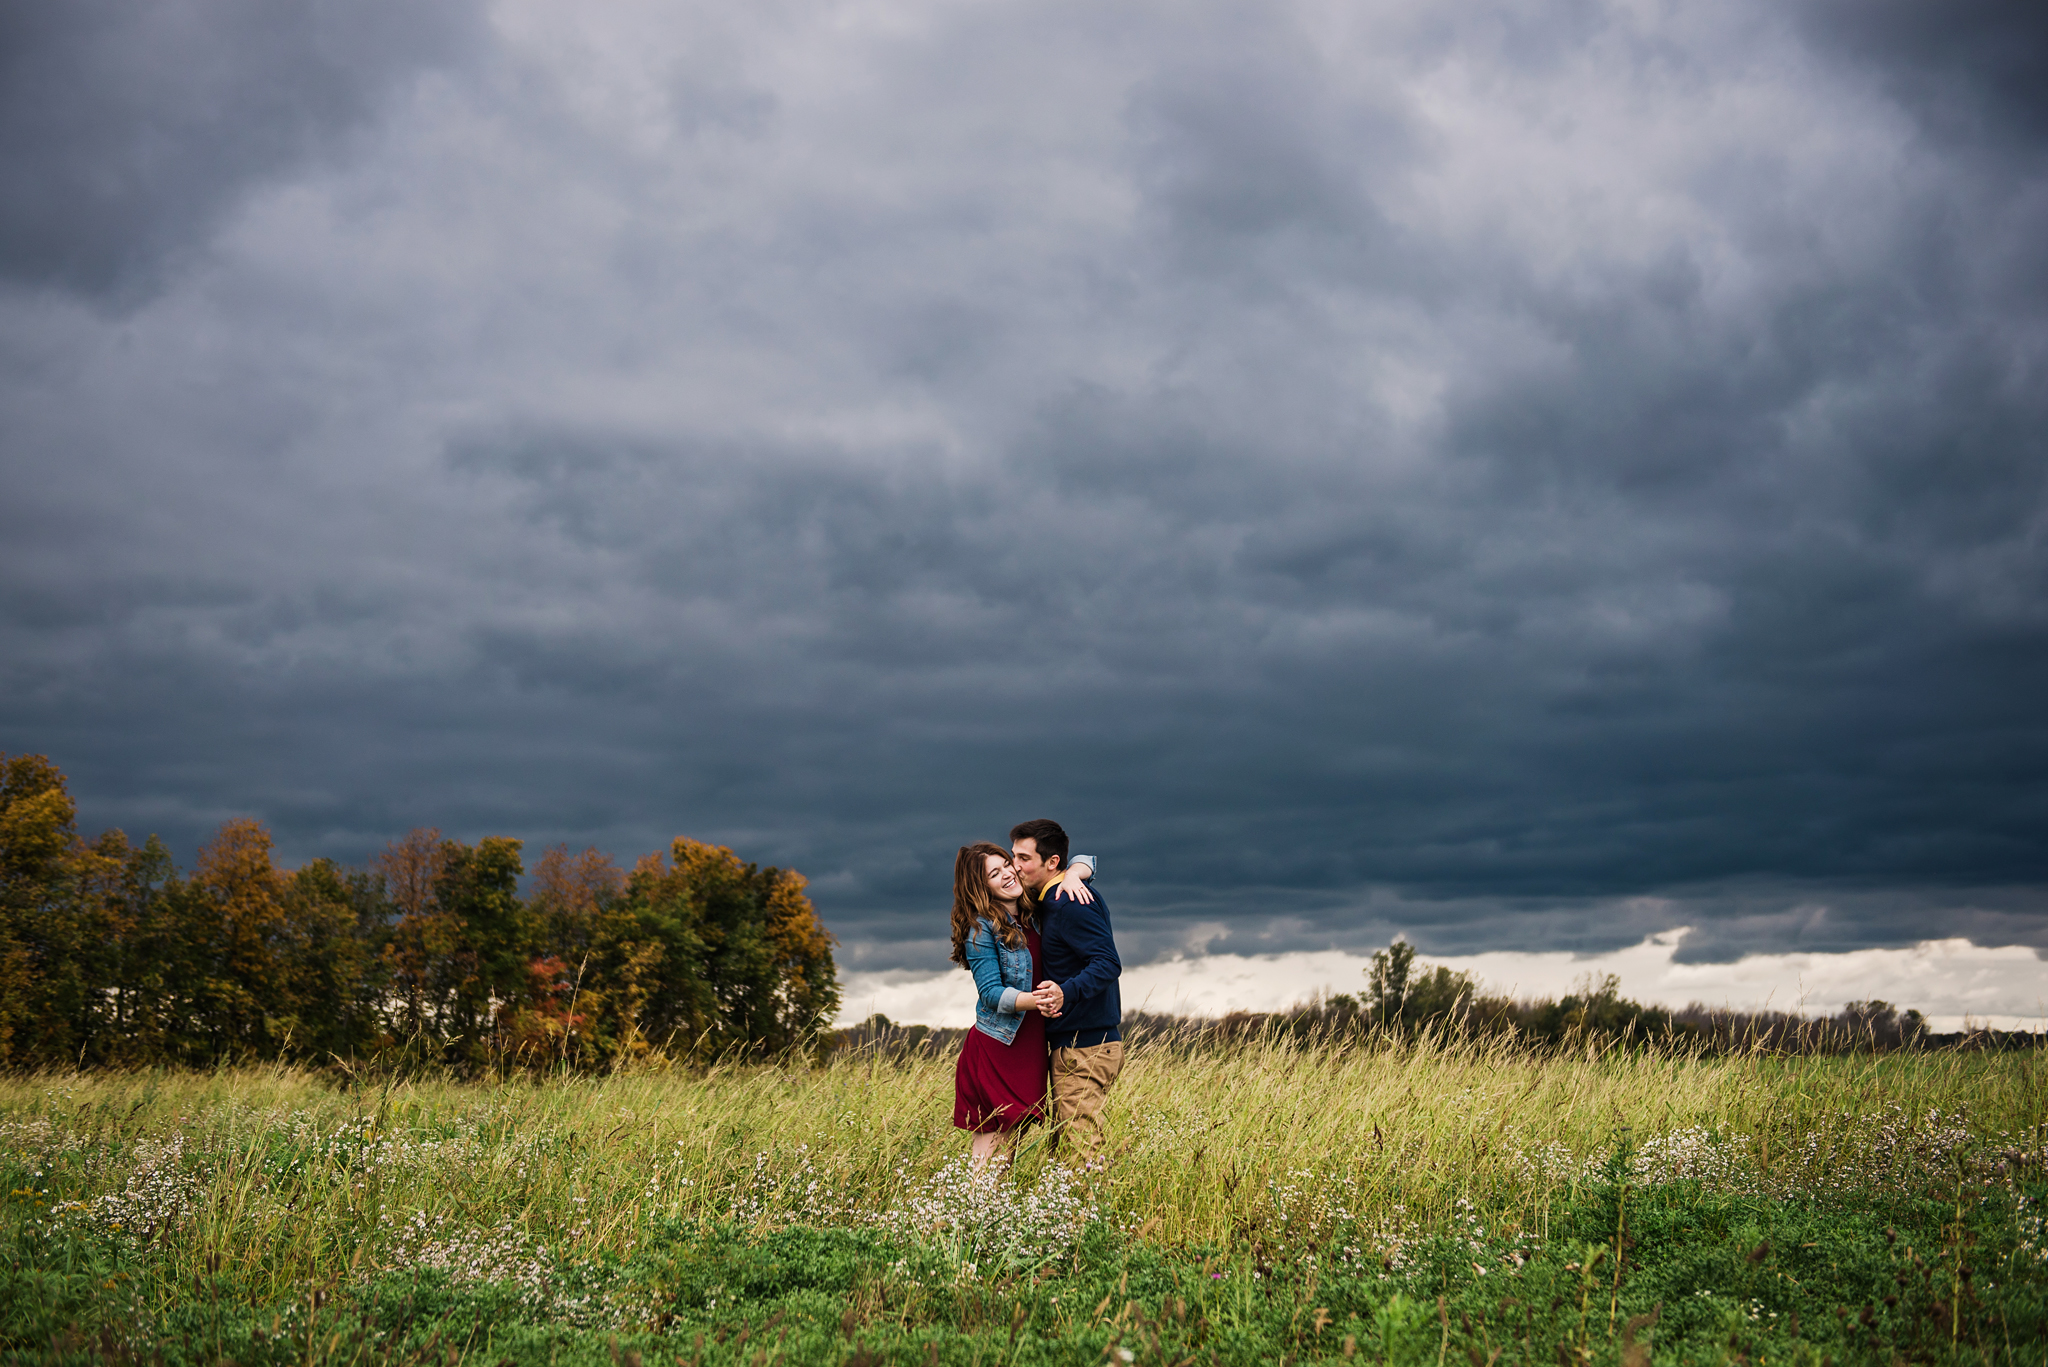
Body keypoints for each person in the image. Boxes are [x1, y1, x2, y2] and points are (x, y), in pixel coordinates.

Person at [1011, 817, 1122, 1166]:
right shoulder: (1051, 898)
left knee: (1081, 1150)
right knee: (1067, 1150)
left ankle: (1093, 1219)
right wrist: (1080, 868)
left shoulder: (1070, 903)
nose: (1016, 866)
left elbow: (1107, 963)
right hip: (1073, 1045)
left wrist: (1064, 992)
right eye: (1014, 856)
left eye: (1024, 858)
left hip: (1085, 1045)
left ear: (1052, 862)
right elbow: (1087, 861)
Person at [949, 842, 1058, 1168]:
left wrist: (1075, 874)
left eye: (1007, 865)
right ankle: (976, 1218)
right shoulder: (981, 929)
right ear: (982, 887)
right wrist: (1038, 1001)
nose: (1008, 874)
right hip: (1000, 1048)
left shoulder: (1033, 914)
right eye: (994, 874)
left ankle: (989, 1217)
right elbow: (991, 994)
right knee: (993, 1156)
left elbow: (1083, 864)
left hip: (1030, 1048)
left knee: (1008, 1154)